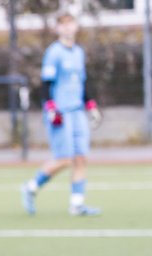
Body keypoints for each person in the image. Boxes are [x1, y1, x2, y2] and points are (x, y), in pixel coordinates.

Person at [20, 11, 102, 217]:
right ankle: (30, 187)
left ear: (75, 27)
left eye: (70, 24)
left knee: (81, 158)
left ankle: (77, 205)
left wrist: (91, 105)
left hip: (77, 112)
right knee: (64, 159)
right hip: (61, 113)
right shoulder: (54, 53)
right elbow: (46, 85)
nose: (67, 28)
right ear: (57, 28)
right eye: (63, 25)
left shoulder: (78, 52)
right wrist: (51, 108)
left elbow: (82, 83)